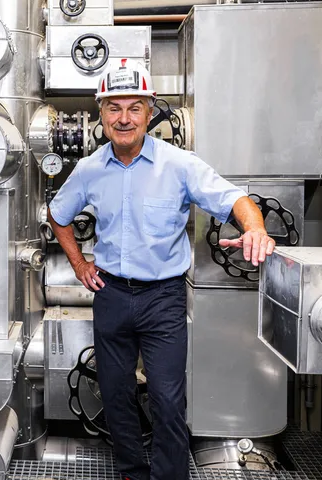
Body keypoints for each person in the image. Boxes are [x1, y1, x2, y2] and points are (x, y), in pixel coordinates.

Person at [47, 59, 276, 480]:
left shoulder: (179, 164)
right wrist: (79, 264)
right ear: (101, 113)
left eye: (134, 108)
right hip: (111, 295)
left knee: (168, 399)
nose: (124, 118)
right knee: (115, 395)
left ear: (149, 112)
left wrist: (256, 229)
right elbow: (58, 214)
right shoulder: (90, 169)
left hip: (163, 299)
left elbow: (234, 200)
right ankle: (133, 472)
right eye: (114, 108)